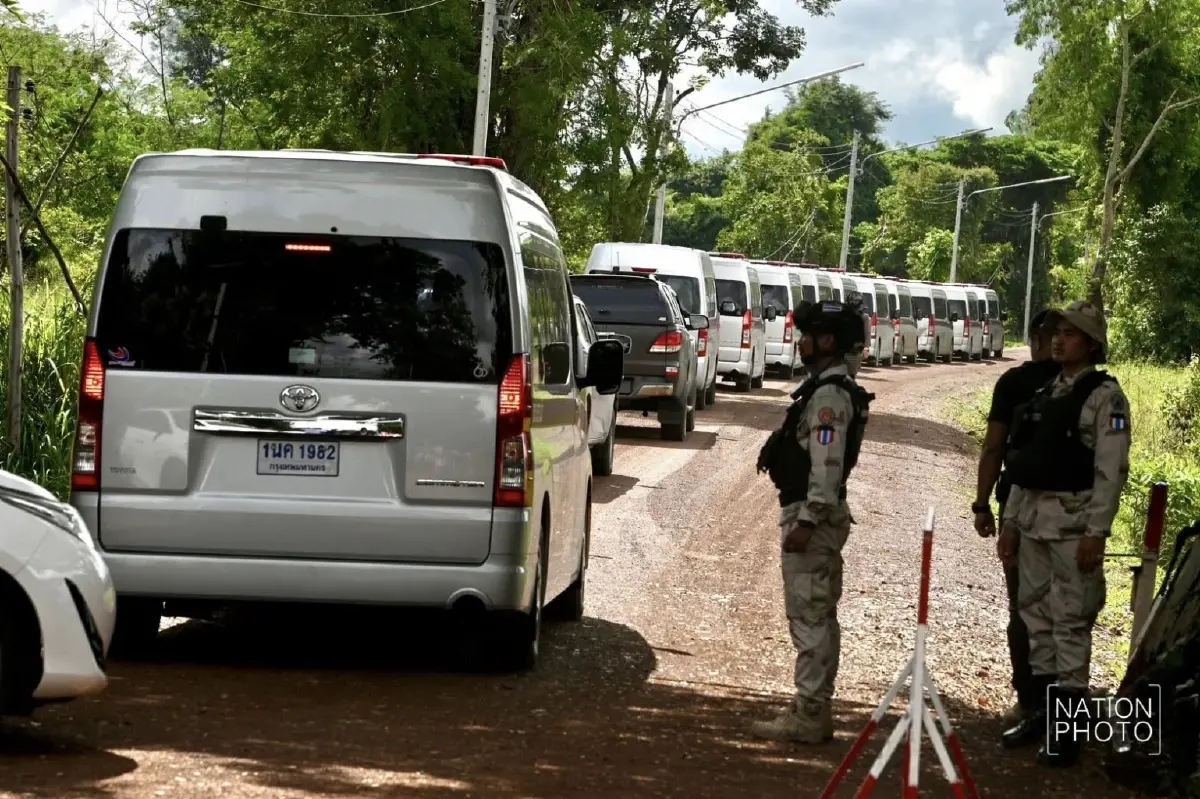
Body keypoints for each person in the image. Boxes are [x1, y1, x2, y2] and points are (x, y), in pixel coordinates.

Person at [997, 301, 1132, 767]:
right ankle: (1042, 713)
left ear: (1092, 344)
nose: (1058, 340)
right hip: (1035, 523)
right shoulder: (1047, 392)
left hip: (1074, 528)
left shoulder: (1106, 398)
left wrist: (1098, 531)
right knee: (1036, 619)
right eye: (1056, 332)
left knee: (1070, 622)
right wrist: (1011, 523)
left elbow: (1110, 471)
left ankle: (1068, 730)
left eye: (1070, 334)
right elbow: (1025, 466)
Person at [752, 301, 874, 743]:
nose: (801, 342)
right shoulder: (824, 389)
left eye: (808, 335)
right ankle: (812, 707)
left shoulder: (829, 398)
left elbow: (827, 466)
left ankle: (810, 711)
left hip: (813, 516)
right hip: (811, 512)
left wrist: (808, 519)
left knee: (810, 617)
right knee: (817, 614)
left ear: (828, 341)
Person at [971, 309, 1060, 728]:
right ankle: (1057, 704)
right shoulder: (1093, 388)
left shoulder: (1014, 384)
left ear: (1035, 340)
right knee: (1067, 610)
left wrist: (981, 503)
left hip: (1020, 508)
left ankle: (1029, 701)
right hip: (1075, 517)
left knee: (1022, 604)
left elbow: (994, 447)